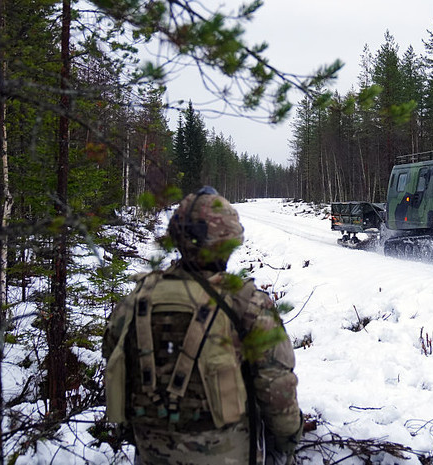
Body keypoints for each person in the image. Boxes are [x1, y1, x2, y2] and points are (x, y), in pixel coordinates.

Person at [103, 186, 303, 465]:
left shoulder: (136, 300)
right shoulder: (249, 306)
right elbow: (278, 393)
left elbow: (116, 369)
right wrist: (288, 441)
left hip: (152, 454)